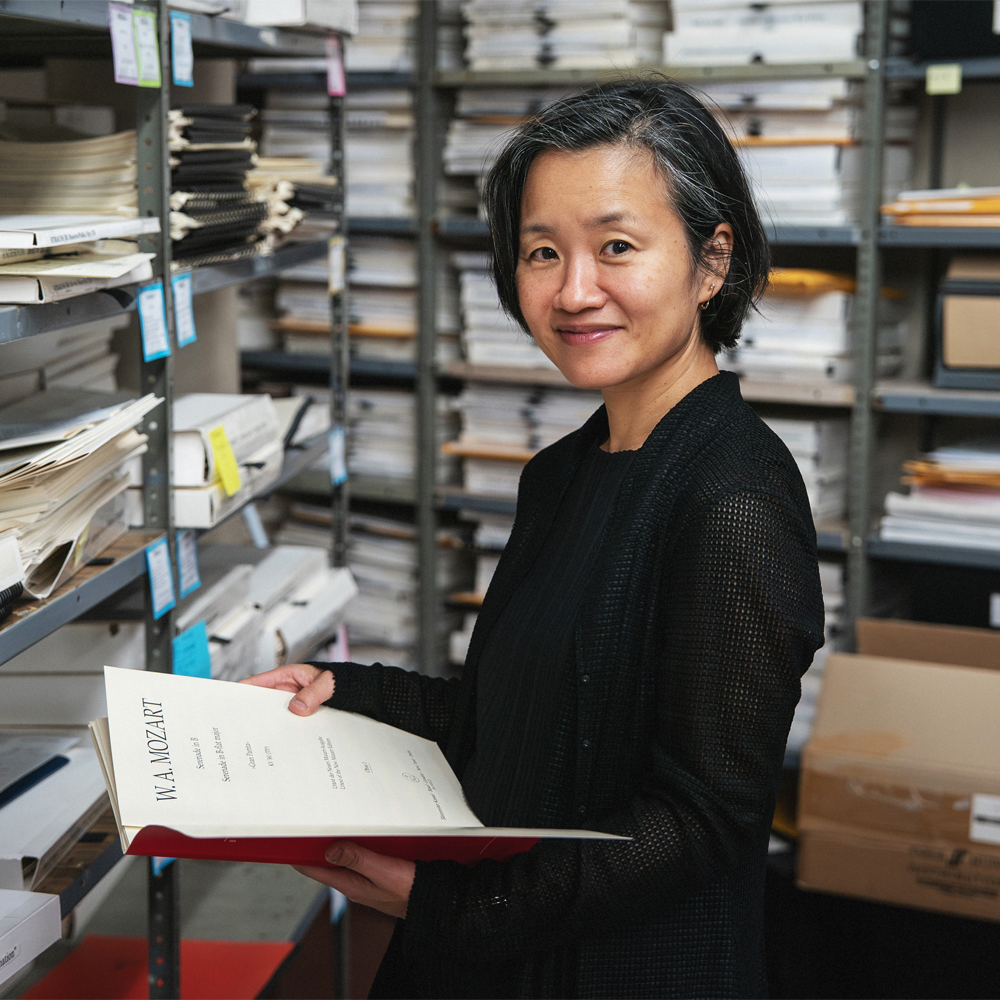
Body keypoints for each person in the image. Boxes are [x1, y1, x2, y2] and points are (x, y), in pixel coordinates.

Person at [244, 76, 825, 999]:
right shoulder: (566, 470)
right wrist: (342, 690)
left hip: (620, 968)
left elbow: (702, 819)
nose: (574, 290)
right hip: (502, 945)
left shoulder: (735, 498)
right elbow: (519, 717)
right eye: (542, 252)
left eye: (618, 247)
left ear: (711, 262)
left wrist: (452, 906)